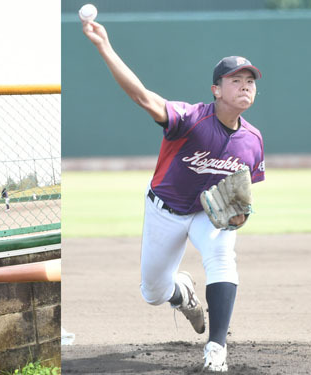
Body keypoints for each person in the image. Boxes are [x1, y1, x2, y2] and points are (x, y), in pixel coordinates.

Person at [82, 21, 265, 372]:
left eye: (250, 81)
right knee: (152, 292)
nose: (245, 86)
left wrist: (240, 216)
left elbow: (243, 196)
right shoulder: (190, 118)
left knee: (222, 256)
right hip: (165, 211)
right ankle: (182, 293)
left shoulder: (253, 140)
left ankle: (216, 349)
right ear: (216, 89)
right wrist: (104, 46)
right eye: (236, 80)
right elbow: (141, 96)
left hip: (205, 216)